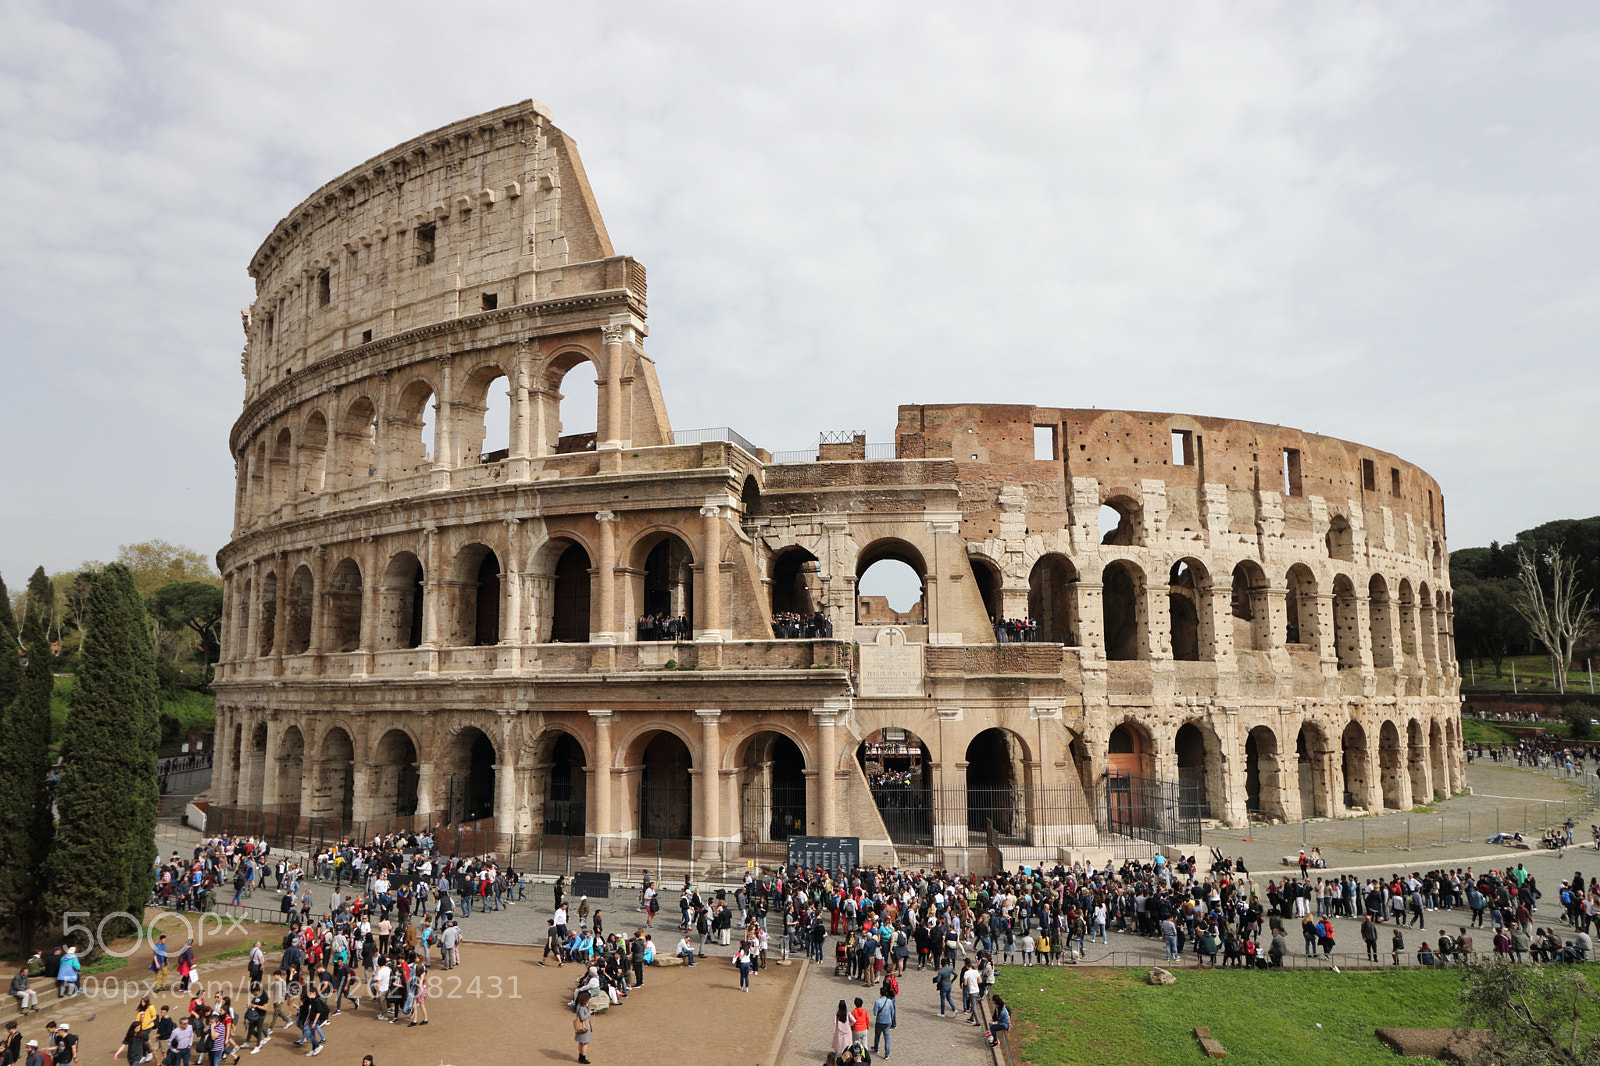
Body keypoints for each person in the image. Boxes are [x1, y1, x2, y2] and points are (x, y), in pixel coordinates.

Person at [871, 985, 897, 1059]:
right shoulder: (890, 1001)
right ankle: (887, 1054)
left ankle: (876, 1048)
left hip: (879, 1021)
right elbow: (892, 1012)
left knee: (877, 1036)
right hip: (887, 1022)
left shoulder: (877, 1002)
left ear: (880, 993)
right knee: (887, 1038)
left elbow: (875, 1013)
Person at [573, 990, 593, 1065]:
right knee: (586, 1042)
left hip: (580, 1027)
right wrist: (589, 1013)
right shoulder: (582, 1007)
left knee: (581, 1042)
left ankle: (580, 1056)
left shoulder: (579, 1005)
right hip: (584, 1027)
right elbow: (582, 1017)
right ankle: (583, 1057)